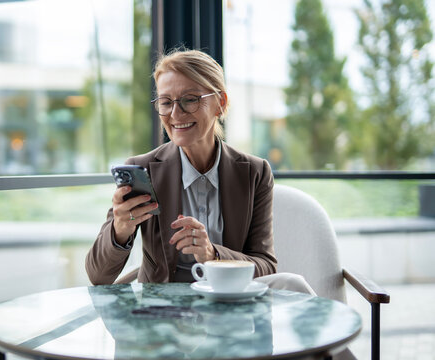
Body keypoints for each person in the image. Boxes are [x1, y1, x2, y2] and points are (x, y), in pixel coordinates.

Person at [85, 48, 314, 295]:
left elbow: (266, 267)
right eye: (165, 102)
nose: (175, 114)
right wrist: (121, 229)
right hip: (164, 316)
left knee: (293, 284)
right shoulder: (145, 170)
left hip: (229, 309)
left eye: (190, 99)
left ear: (220, 103)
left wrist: (212, 254)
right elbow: (98, 276)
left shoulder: (254, 173)